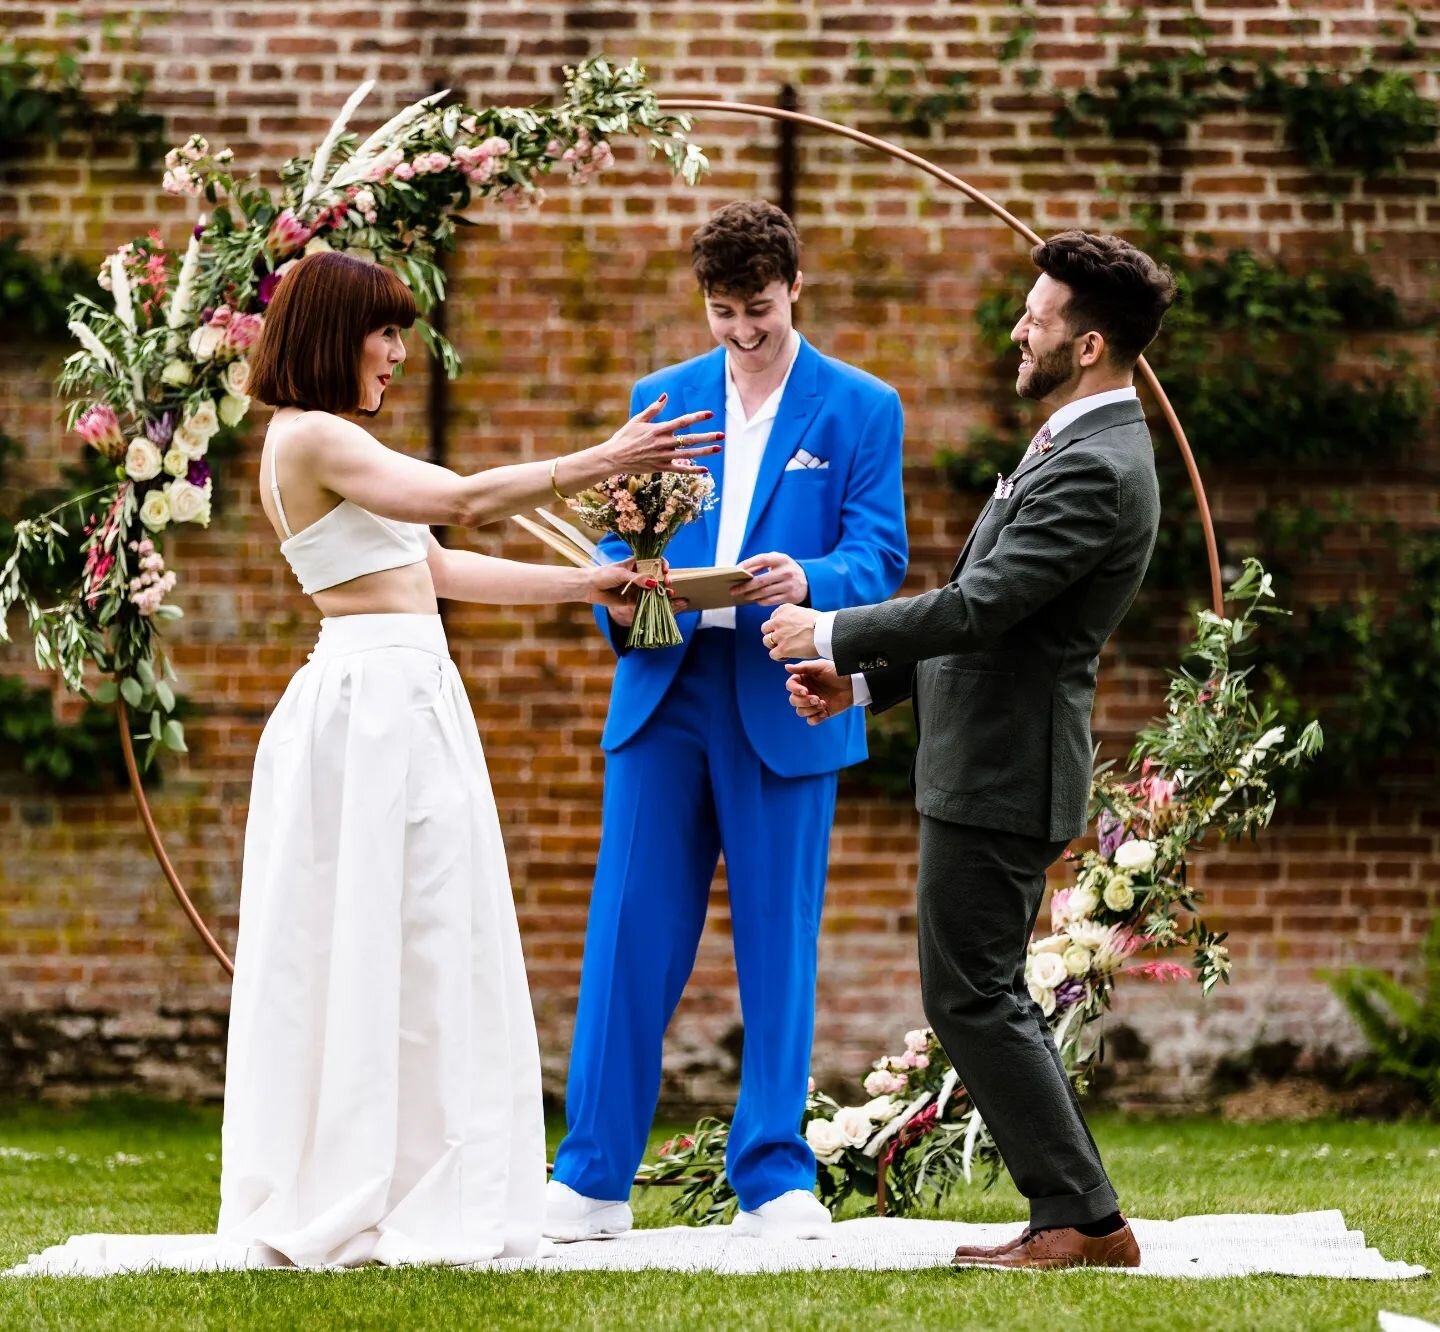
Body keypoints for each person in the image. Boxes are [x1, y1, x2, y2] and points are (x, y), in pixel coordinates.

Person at [10, 249, 721, 1275]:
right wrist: (596, 462)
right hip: (371, 709)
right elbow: (467, 502)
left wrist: (589, 586)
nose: (397, 353)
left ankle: (424, 1181)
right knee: (370, 942)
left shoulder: (338, 445)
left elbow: (435, 568)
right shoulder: (309, 438)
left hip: (409, 694)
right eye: (384, 331)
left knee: (432, 940)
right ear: (335, 334)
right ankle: (363, 1185)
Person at [765, 230, 1176, 1270]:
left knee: (973, 995)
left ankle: (1082, 1219)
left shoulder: (1099, 465)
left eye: (1036, 316)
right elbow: (994, 623)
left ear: (1086, 345)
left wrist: (830, 630)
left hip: (1006, 771)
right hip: (986, 762)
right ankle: (1080, 1213)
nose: (1017, 329)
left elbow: (984, 606)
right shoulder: (1073, 444)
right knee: (977, 992)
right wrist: (864, 682)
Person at [546, 201, 908, 1242]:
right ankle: (591, 1177)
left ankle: (774, 1177)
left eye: (758, 309)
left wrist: (815, 576)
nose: (742, 331)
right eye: (722, 312)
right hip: (663, 694)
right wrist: (628, 582)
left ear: (795, 284)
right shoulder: (658, 401)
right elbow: (627, 548)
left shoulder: (860, 407)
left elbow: (879, 559)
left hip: (787, 698)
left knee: (777, 944)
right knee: (627, 936)